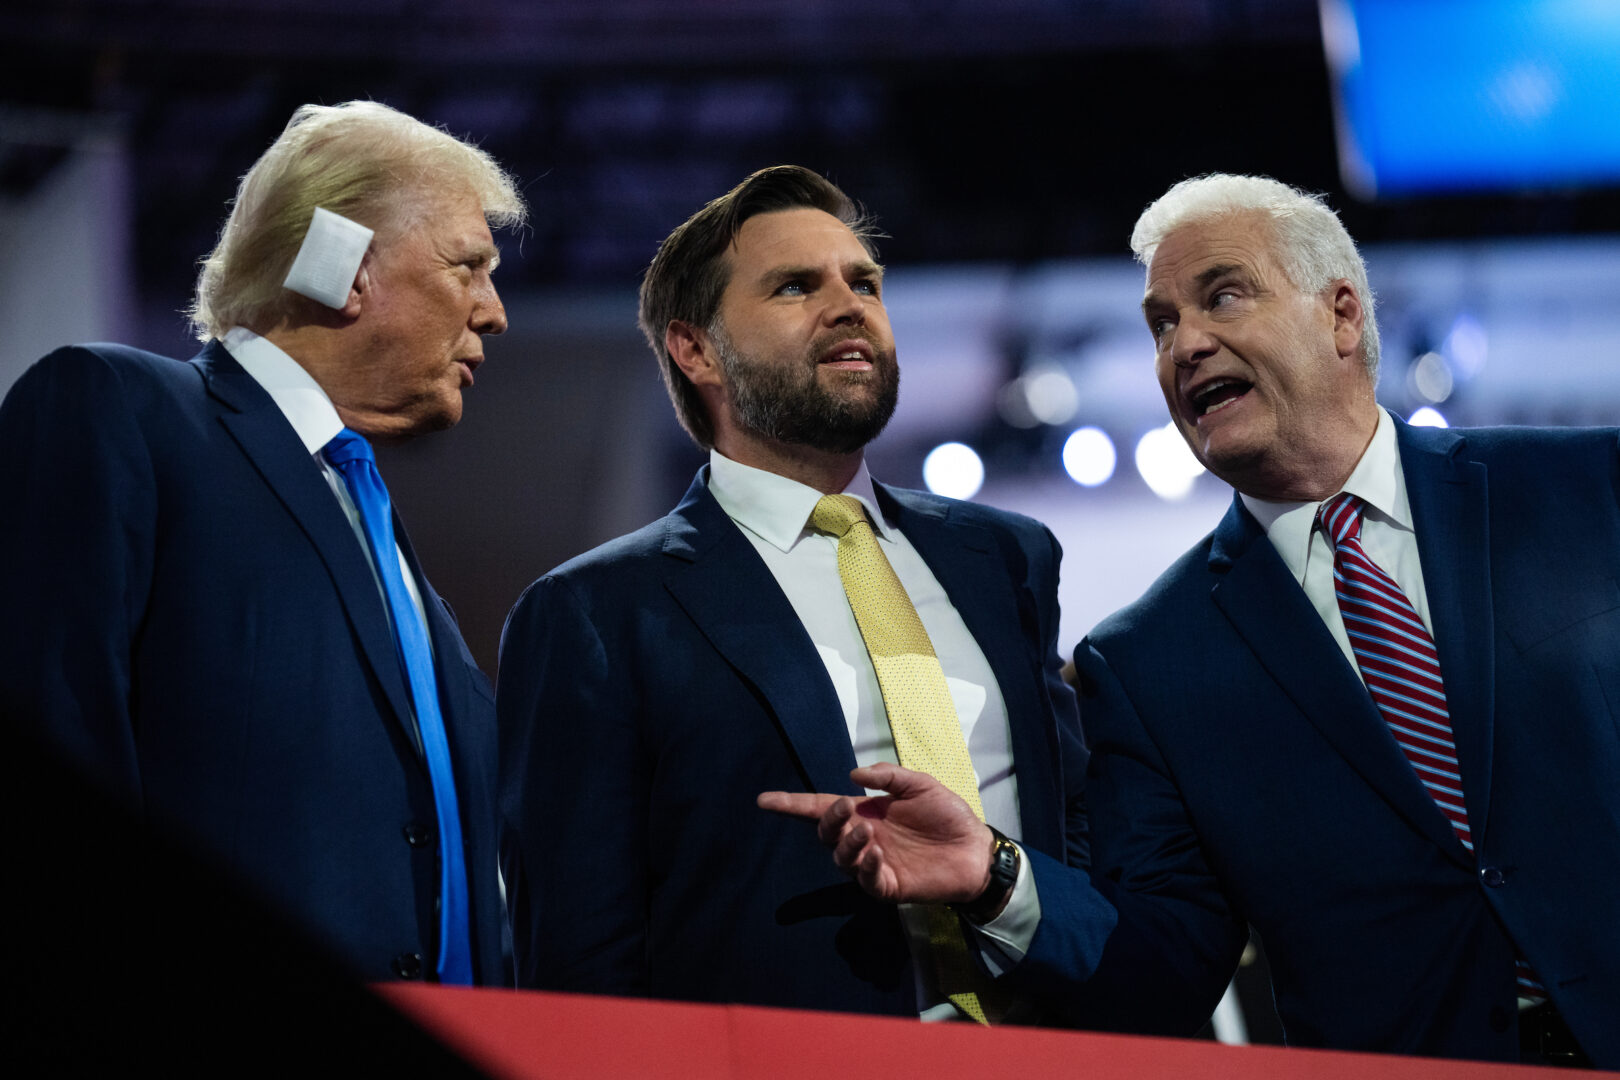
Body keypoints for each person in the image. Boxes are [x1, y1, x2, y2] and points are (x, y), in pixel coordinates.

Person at [762, 174, 1619, 1066]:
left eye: (1223, 297)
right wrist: (993, 875)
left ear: (1341, 315)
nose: (1187, 346)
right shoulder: (1148, 662)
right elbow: (1160, 970)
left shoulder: (1584, 491)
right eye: (1162, 325)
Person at [497, 165, 1086, 1021]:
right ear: (695, 349)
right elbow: (579, 968)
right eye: (794, 286)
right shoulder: (595, 614)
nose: (849, 305)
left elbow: (1080, 841)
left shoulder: (1005, 557)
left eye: (864, 282)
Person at [0, 100, 526, 986]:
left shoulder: (385, 547)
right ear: (345, 269)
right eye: (468, 266)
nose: (495, 312)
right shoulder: (121, 412)